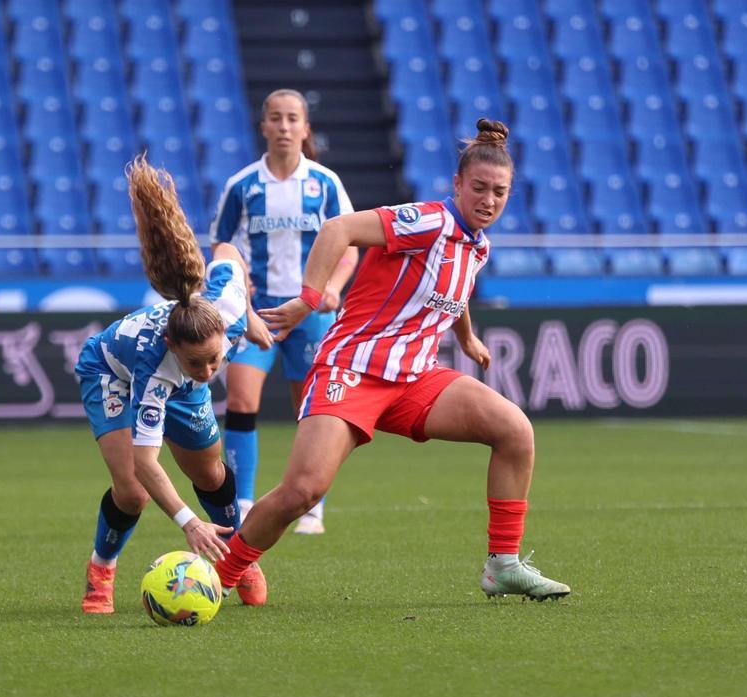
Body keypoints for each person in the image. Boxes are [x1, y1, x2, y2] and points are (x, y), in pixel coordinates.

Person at [213, 119, 572, 602]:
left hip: (414, 379)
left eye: (500, 193)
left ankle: (503, 565)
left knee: (515, 431)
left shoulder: (477, 245)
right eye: (480, 188)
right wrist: (309, 297)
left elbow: (453, 291)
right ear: (458, 185)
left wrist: (467, 338)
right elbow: (339, 229)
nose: (489, 200)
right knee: (302, 492)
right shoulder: (426, 221)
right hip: (352, 368)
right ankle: (222, 574)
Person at [76, 156, 273, 614]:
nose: (210, 372)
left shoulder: (224, 306)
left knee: (210, 472)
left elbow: (228, 253)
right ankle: (100, 569)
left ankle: (238, 557)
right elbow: (147, 461)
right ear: (172, 345)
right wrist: (188, 522)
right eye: (197, 363)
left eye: (215, 359)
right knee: (132, 490)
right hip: (110, 370)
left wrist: (252, 315)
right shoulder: (157, 367)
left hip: (179, 371)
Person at [211, 88, 358, 535]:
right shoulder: (242, 186)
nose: (284, 126)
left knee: (312, 410)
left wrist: (331, 289)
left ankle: (313, 504)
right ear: (263, 127)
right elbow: (219, 244)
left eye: (293, 118)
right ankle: (242, 499)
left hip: (311, 311)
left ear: (305, 128)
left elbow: (349, 245)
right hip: (257, 313)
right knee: (240, 399)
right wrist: (233, 273)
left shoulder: (325, 183)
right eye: (275, 118)